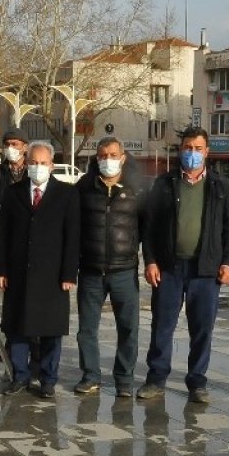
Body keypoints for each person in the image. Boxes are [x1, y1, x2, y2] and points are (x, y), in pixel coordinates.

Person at [140, 126, 229, 402]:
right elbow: (149, 228)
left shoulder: (220, 187)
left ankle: (197, 382)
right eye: (187, 148)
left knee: (202, 328)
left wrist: (228, 263)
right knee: (162, 326)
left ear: (207, 152)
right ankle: (156, 378)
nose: (192, 153)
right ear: (180, 150)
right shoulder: (164, 184)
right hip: (169, 268)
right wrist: (150, 261)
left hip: (205, 271)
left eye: (197, 148)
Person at [0, 141, 80, 398]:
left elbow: (72, 236)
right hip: (19, 272)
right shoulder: (13, 192)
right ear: (26, 162)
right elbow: (4, 235)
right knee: (17, 327)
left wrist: (68, 273)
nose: (38, 167)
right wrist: (1, 270)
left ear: (51, 165)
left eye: (43, 163)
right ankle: (19, 375)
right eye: (33, 162)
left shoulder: (66, 193)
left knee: (51, 329)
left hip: (52, 274)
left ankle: (48, 379)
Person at [74, 137, 147, 396]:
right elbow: (73, 229)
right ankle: (90, 375)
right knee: (86, 329)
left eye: (113, 155)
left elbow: (147, 230)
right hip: (91, 270)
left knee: (129, 328)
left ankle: (124, 379)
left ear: (123, 157)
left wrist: (150, 262)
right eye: (103, 156)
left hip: (124, 270)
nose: (108, 160)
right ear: (97, 158)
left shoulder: (137, 189)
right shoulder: (84, 187)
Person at [0, 128, 29, 206]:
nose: (10, 148)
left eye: (14, 144)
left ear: (25, 147)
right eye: (7, 144)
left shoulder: (32, 171)